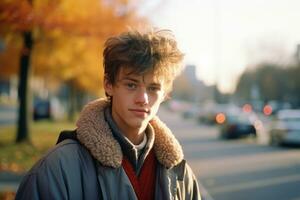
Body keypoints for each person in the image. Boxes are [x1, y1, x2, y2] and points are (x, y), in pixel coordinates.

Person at [16, 29, 201, 200]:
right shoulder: (56, 169)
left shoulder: (180, 174)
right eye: (131, 84)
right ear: (108, 84)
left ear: (165, 94)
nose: (143, 99)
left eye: (153, 88)